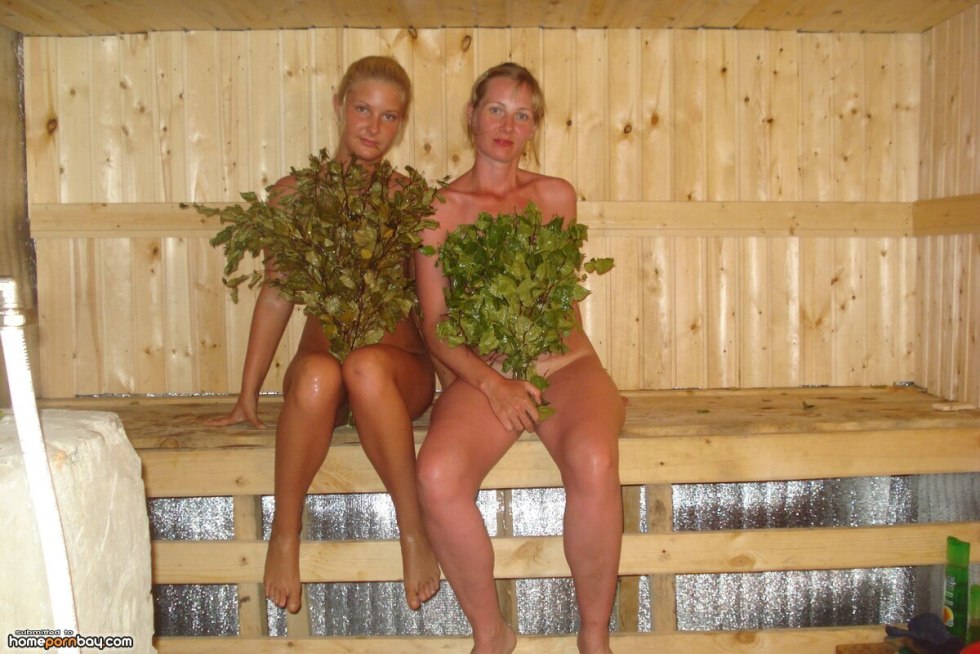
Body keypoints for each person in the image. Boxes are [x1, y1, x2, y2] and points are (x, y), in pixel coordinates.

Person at [206, 55, 440, 614]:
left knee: (365, 364)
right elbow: (278, 294)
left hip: (396, 371)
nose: (373, 127)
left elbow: (435, 304)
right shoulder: (295, 195)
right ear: (339, 105)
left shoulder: (409, 198)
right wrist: (246, 395)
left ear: (401, 124)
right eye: (363, 108)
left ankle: (413, 533)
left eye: (389, 117)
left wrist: (459, 384)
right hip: (327, 373)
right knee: (314, 375)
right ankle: (283, 534)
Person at [414, 62, 625, 654]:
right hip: (488, 372)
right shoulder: (440, 209)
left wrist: (590, 386)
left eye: (523, 114)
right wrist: (490, 384)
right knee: (436, 475)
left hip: (566, 364)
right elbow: (435, 326)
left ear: (535, 127)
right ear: (472, 117)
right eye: (496, 110)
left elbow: (561, 299)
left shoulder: (556, 196)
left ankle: (592, 638)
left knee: (593, 459)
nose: (508, 125)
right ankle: (492, 634)